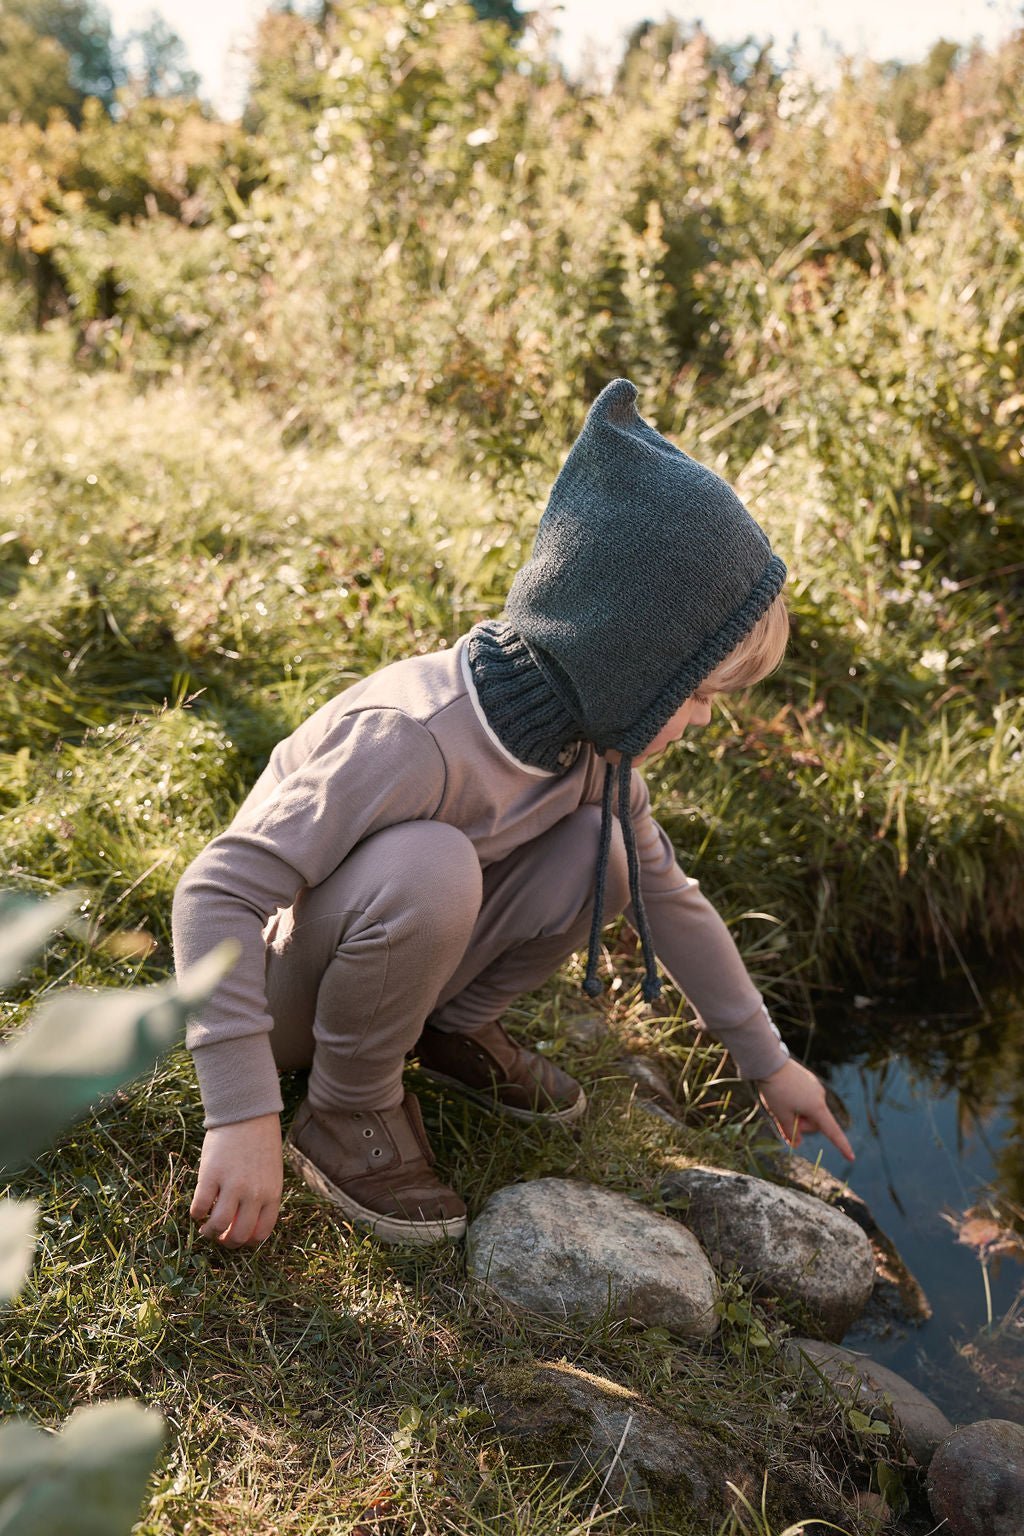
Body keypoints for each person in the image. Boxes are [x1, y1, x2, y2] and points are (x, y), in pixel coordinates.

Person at [172, 378, 853, 1251]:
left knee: (604, 854)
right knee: (433, 864)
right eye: (702, 695)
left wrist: (771, 1062)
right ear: (629, 657)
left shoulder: (592, 749)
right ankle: (346, 1109)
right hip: (283, 997)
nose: (706, 721)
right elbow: (214, 892)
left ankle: (445, 1031)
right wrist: (238, 1112)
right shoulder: (412, 738)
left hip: (391, 962)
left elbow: (670, 901)